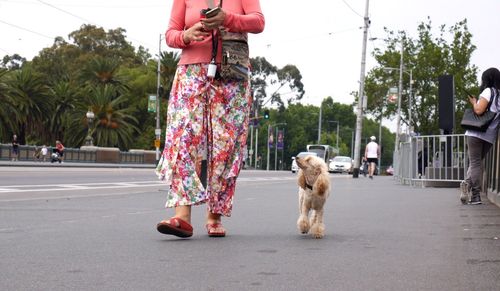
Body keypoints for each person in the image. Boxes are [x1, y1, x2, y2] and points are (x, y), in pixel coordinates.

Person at [155, 0, 265, 238]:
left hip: (231, 73)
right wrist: (186, 35)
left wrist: (227, 19)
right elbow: (171, 35)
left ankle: (214, 215)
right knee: (181, 139)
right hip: (190, 72)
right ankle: (181, 217)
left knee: (225, 146)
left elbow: (258, 22)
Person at [461, 68, 500, 205]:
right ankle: (468, 188)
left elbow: (479, 110)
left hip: (476, 133)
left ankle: (474, 193)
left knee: (475, 163)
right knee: (476, 163)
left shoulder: (488, 91)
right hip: (490, 135)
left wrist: (474, 102)